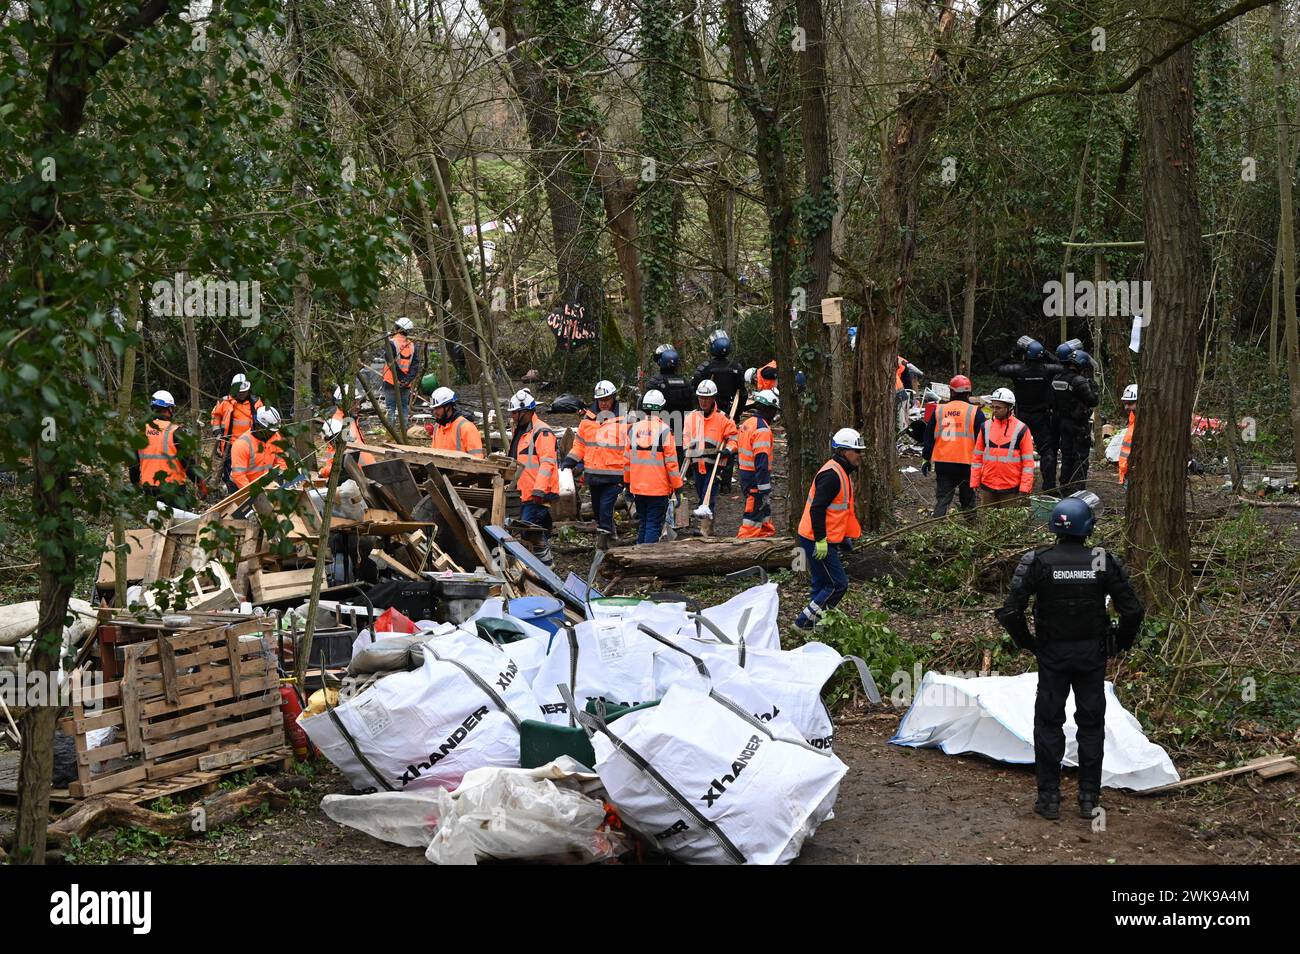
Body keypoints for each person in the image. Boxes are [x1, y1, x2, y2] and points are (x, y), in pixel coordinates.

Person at [995, 492, 1145, 821]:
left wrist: (1030, 644)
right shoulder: (1101, 560)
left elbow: (1010, 612)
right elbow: (1133, 610)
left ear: (1055, 527)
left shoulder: (1038, 560)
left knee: (1049, 723)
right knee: (1091, 726)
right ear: (1088, 527)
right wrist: (1119, 644)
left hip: (1053, 655)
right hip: (1091, 655)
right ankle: (1089, 799)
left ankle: (1049, 799)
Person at [793, 428, 864, 631]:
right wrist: (821, 540)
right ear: (843, 451)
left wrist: (842, 538)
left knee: (821, 584)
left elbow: (838, 513)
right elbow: (817, 509)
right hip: (815, 539)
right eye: (856, 451)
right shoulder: (832, 475)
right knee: (837, 584)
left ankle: (816, 625)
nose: (860, 456)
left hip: (822, 538)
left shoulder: (841, 473)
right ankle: (804, 623)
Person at [561, 380, 626, 543]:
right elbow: (579, 446)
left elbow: (632, 447)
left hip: (616, 475)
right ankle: (609, 535)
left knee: (605, 509)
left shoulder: (625, 420)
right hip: (594, 475)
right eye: (601, 400)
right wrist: (569, 461)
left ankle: (605, 543)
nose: (604, 403)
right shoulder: (587, 421)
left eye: (607, 399)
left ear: (614, 398)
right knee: (598, 510)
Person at [997, 338, 1063, 494]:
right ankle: (1049, 487)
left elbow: (997, 367)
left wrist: (1014, 352)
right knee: (1047, 451)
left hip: (1022, 417)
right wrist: (1044, 352)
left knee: (1014, 450)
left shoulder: (1018, 370)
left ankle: (1012, 484)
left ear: (1025, 355)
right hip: (1042, 416)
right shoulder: (1047, 369)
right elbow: (1062, 366)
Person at [623, 389, 683, 544]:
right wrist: (678, 488)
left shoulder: (633, 430)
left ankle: (638, 556)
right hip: (658, 489)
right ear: (661, 408)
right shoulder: (664, 431)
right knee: (653, 526)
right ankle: (646, 561)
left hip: (638, 488)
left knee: (644, 523)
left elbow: (627, 461)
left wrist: (628, 485)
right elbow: (671, 464)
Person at [921, 375, 985, 518]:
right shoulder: (976, 412)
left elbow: (929, 437)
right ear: (968, 393)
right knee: (968, 499)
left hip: (943, 464)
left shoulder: (939, 410)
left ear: (952, 392)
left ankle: (937, 526)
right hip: (967, 464)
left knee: (943, 499)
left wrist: (926, 458)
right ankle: (971, 525)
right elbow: (983, 441)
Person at [691, 329, 746, 492]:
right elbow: (742, 393)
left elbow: (695, 390)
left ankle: (707, 476)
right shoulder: (736, 367)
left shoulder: (705, 368)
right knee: (729, 443)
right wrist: (737, 414)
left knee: (708, 442)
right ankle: (725, 482)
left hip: (710, 412)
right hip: (729, 410)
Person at [508, 388, 558, 565]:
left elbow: (547, 463)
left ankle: (542, 565)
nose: (513, 416)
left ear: (526, 412)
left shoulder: (541, 432)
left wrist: (539, 489)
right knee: (537, 531)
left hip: (538, 493)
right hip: (526, 491)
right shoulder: (522, 432)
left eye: (515, 413)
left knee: (529, 531)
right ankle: (545, 565)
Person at [133, 390, 203, 503]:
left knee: (154, 519)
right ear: (169, 409)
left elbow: (133, 463)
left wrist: (135, 483)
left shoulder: (141, 431)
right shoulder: (174, 431)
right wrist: (200, 483)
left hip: (149, 488)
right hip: (173, 488)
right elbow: (187, 461)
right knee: (179, 520)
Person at [971, 387, 1036, 507]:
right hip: (987, 486)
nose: (994, 410)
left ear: (1009, 408)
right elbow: (977, 457)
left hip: (1011, 488)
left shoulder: (1021, 429)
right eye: (993, 407)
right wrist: (975, 481)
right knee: (989, 522)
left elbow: (1028, 463)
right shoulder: (985, 427)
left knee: (1006, 523)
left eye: (998, 407)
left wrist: (1025, 487)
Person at [682, 379, 738, 514]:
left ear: (713, 398)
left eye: (707, 398)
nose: (704, 401)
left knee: (709, 495)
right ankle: (705, 520)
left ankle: (705, 527)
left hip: (715, 464)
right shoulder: (691, 417)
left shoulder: (724, 419)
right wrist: (686, 449)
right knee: (701, 494)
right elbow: (686, 437)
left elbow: (733, 439)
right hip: (696, 463)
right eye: (701, 398)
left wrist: (727, 451)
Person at [1052, 349, 1099, 494]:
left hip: (1063, 423)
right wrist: (1094, 387)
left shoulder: (1057, 378)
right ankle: (1078, 490)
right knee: (1080, 459)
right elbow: (1093, 401)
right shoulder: (1078, 381)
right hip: (1078, 426)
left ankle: (1064, 488)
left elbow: (1053, 401)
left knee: (1067, 457)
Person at [736, 389, 779, 539]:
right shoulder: (762, 429)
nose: (774, 415)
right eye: (774, 411)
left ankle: (765, 537)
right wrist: (764, 487)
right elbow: (761, 460)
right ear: (767, 408)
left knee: (763, 510)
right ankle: (743, 546)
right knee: (753, 516)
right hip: (756, 478)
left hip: (745, 474)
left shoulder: (747, 424)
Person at [211, 373, 263, 493]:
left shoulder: (256, 403)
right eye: (239, 392)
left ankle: (250, 492)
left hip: (250, 444)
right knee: (230, 472)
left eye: (243, 391)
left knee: (249, 469)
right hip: (229, 444)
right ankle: (233, 493)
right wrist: (217, 432)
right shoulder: (225, 402)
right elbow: (215, 416)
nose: (241, 394)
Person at [229, 406, 287, 490]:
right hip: (242, 486)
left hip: (264, 484)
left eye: (274, 431)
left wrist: (280, 476)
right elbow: (239, 476)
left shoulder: (275, 437)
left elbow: (281, 461)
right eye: (270, 432)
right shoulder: (242, 445)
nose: (273, 434)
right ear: (259, 427)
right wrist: (255, 493)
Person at [382, 316, 421, 424]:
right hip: (405, 384)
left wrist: (400, 378)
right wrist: (406, 380)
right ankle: (404, 430)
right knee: (404, 408)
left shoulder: (391, 343)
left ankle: (391, 434)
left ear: (397, 328)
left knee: (390, 408)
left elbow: (390, 362)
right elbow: (415, 366)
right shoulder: (412, 345)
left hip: (391, 381)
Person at [328, 384, 375, 470]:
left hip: (366, 473)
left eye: (358, 402)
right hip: (355, 477)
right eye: (354, 403)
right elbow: (343, 459)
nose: (358, 406)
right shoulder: (336, 424)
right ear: (342, 403)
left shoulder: (349, 420)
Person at [428, 387, 484, 457]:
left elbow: (477, 459)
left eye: (437, 408)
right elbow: (434, 454)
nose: (435, 412)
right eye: (434, 408)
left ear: (448, 407)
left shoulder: (467, 428)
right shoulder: (437, 427)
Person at [647, 345, 695, 420]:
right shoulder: (685, 383)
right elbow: (692, 407)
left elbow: (647, 409)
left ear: (660, 361)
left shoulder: (654, 383)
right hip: (683, 427)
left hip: (660, 428)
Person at [1117, 384, 1137, 486]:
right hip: (1128, 472)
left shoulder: (1141, 424)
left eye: (1129, 403)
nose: (1126, 407)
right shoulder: (1132, 421)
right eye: (1125, 403)